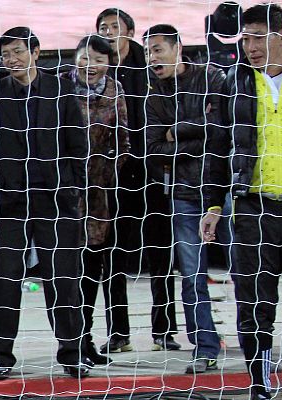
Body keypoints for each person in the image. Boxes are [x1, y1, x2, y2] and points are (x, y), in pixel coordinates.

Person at [0, 27, 90, 379]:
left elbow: (77, 144)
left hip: (55, 201)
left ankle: (72, 353)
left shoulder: (61, 90)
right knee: (3, 282)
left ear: (36, 52)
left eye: (18, 52)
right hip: (8, 204)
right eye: (5, 54)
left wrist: (73, 189)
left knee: (64, 280)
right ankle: (1, 357)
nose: (12, 60)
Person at [207, 3, 282, 400]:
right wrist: (212, 204)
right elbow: (216, 147)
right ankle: (259, 389)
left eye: (258, 37)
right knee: (254, 303)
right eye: (244, 39)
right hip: (253, 208)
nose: (250, 46)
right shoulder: (234, 81)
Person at [96, 8, 182, 354]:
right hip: (114, 175)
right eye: (102, 28)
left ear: (130, 32)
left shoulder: (150, 68)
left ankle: (164, 330)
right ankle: (119, 332)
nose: (108, 32)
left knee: (162, 253)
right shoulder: (99, 70)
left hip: (153, 171)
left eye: (114, 27)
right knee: (112, 255)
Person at [144, 24, 228, 375]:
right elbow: (152, 149)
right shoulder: (153, 97)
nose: (152, 59)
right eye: (148, 52)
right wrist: (197, 133)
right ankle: (205, 346)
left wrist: (176, 130)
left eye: (159, 49)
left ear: (178, 47)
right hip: (184, 193)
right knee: (192, 275)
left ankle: (255, 339)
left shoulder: (213, 79)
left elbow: (223, 133)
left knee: (247, 272)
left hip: (225, 191)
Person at [64, 35, 130, 368]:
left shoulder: (115, 90)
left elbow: (123, 139)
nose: (91, 65)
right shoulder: (59, 88)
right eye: (85, 58)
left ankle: (85, 337)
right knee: (66, 270)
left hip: (99, 195)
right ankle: (70, 341)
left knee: (93, 267)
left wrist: (105, 172)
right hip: (64, 192)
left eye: (98, 59)